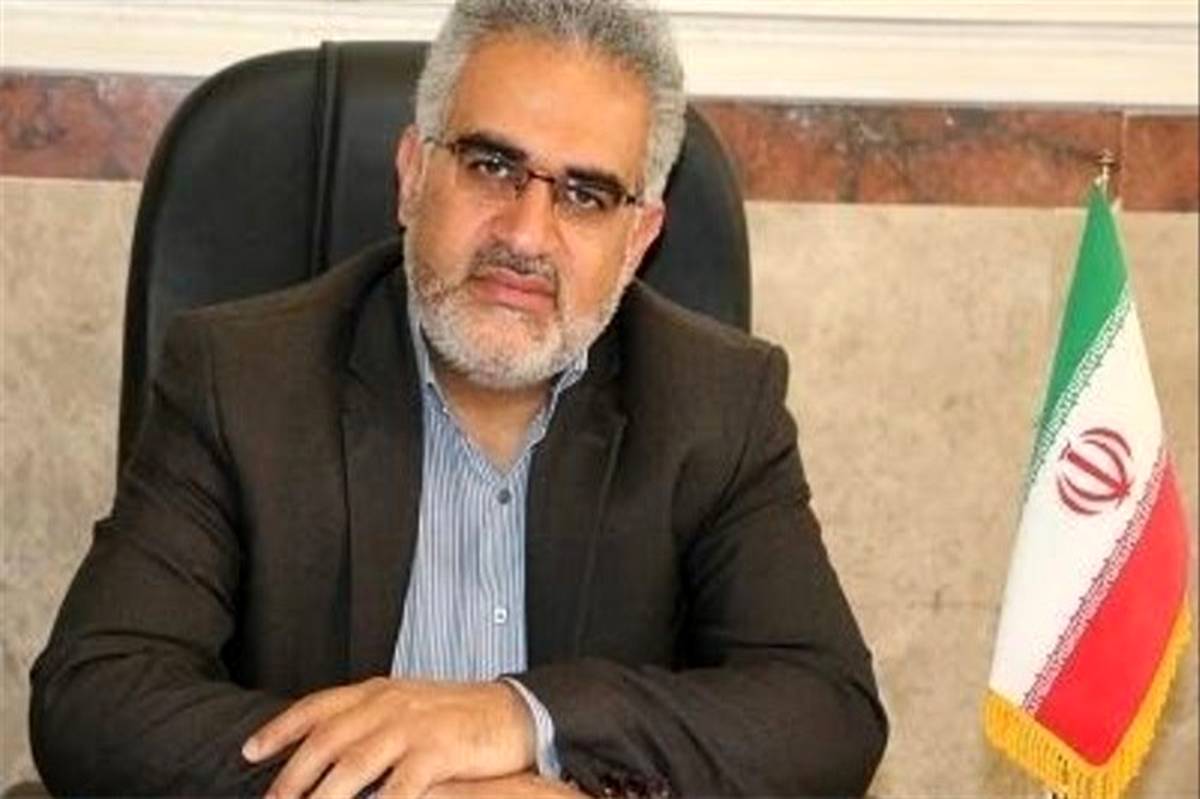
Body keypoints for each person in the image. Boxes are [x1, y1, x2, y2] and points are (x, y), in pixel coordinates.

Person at [29, 1, 887, 796]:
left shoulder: (717, 404)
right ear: (413, 175)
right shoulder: (242, 377)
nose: (525, 234)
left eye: (585, 195)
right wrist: (415, 788)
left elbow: (828, 710)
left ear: (638, 239)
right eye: (491, 165)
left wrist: (522, 717)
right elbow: (95, 696)